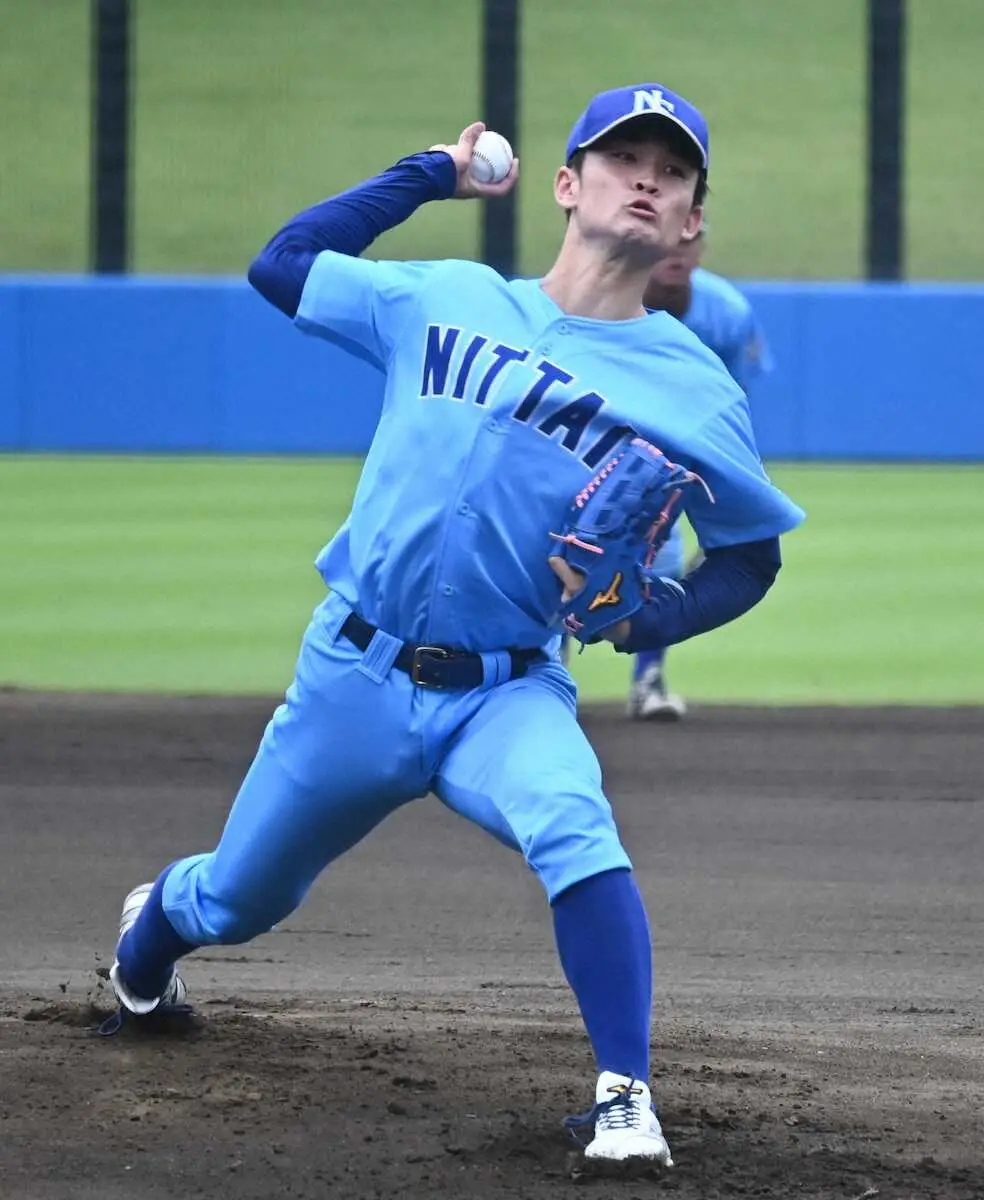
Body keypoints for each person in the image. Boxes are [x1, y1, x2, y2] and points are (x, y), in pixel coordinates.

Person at [106, 83, 804, 1169]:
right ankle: (148, 941)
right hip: (354, 673)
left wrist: (651, 617)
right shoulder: (442, 296)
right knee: (239, 897)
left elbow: (754, 556)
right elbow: (282, 264)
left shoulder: (696, 388)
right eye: (625, 157)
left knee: (576, 824)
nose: (650, 177)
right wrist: (431, 171)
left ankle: (626, 1097)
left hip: (507, 689)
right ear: (569, 186)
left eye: (674, 171)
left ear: (690, 224)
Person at [628, 229, 775, 720]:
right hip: (593, 440)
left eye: (686, 242)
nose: (675, 251)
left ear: (701, 249)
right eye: (665, 241)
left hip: (674, 452)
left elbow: (733, 410)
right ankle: (551, 676)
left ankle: (648, 679)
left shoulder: (725, 312)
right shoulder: (607, 295)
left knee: (663, 556)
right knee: (557, 555)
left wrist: (732, 509)